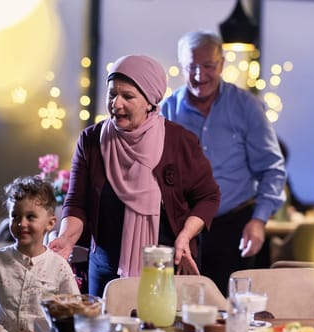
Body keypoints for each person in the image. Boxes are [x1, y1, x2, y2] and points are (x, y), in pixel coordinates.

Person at [48, 54, 221, 297]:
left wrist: (185, 236)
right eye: (112, 94)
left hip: (165, 269)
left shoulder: (180, 141)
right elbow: (76, 203)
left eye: (127, 96)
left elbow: (208, 196)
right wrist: (66, 238)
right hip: (106, 270)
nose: (116, 104)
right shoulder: (91, 141)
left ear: (150, 100)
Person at [161, 30, 287, 295]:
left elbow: (272, 168)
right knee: (182, 309)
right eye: (191, 67)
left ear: (222, 64)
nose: (199, 75)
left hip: (235, 226)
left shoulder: (246, 106)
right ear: (182, 66)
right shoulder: (168, 110)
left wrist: (259, 220)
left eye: (208, 66)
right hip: (183, 229)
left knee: (231, 312)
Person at [0, 176, 80, 332]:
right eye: (15, 217)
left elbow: (73, 311)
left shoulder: (59, 267)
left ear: (50, 223)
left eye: (30, 217)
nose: (21, 223)